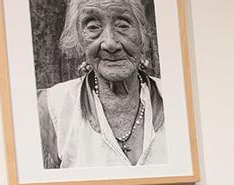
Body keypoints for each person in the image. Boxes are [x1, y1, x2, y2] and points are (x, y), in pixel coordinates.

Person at [37, 0, 167, 169]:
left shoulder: (181, 100)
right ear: (78, 38)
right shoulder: (50, 108)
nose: (110, 43)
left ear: (142, 34)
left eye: (122, 25)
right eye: (93, 27)